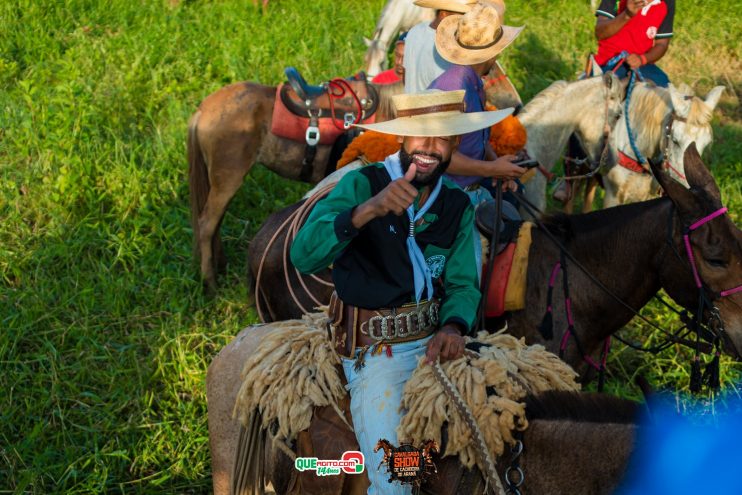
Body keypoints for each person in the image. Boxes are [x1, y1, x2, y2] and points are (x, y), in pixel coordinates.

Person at [290, 89, 512, 495]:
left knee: (506, 440)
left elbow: (463, 283)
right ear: (401, 140)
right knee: (397, 482)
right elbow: (303, 255)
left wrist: (452, 325)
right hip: (375, 351)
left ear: (455, 145)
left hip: (435, 343)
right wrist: (368, 210)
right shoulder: (363, 184)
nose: (428, 148)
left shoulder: (456, 205)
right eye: (419, 136)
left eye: (442, 138)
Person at [594, 0, 675, 87]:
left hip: (643, 65)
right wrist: (627, 15)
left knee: (667, 92)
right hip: (609, 61)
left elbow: (662, 44)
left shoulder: (667, 2)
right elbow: (600, 33)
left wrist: (642, 59)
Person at [403, 0, 477, 93]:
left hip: (411, 104)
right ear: (443, 15)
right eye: (461, 15)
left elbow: (405, 76)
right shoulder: (448, 41)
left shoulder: (415, 31)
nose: (465, 21)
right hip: (438, 105)